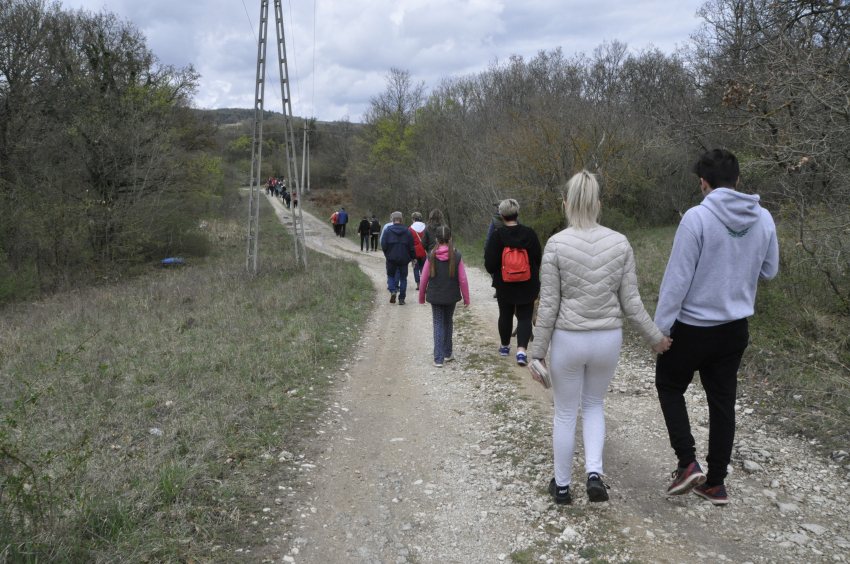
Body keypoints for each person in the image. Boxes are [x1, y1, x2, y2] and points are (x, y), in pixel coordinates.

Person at [529, 170, 669, 506]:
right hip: (607, 339)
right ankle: (594, 474)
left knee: (565, 413)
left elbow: (547, 306)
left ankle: (562, 487)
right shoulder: (619, 242)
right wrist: (656, 338)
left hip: (568, 339)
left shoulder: (556, 244)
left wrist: (537, 352)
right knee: (593, 406)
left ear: (566, 205)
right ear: (598, 204)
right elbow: (632, 305)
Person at [654, 149, 779, 506]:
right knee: (723, 403)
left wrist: (660, 330)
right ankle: (716, 484)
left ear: (704, 184)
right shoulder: (764, 218)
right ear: (738, 181)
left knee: (669, 384)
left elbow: (676, 281)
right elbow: (769, 270)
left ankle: (687, 463)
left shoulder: (697, 218)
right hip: (734, 329)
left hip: (692, 328)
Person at [484, 199, 542, 367]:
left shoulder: (497, 235)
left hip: (505, 283)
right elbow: (538, 257)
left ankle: (504, 346)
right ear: (518, 214)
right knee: (524, 317)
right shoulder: (529, 233)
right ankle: (522, 352)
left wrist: (499, 275)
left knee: (506, 314)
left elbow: (489, 264)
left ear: (501, 216)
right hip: (528, 283)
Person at [419, 226, 470, 367]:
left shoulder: (431, 257)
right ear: (450, 239)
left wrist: (421, 296)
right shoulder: (457, 257)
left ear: (436, 240)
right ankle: (447, 353)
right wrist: (466, 298)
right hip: (451, 295)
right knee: (448, 322)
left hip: (435, 296)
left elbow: (423, 279)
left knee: (438, 323)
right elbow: (463, 280)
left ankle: (438, 358)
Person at [381, 211, 416, 305]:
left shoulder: (387, 230)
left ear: (392, 219)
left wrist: (387, 254)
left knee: (391, 275)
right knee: (403, 278)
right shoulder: (407, 231)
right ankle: (401, 298)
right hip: (404, 259)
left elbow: (383, 245)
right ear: (402, 220)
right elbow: (412, 247)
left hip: (391, 258)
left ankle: (393, 290)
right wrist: (413, 257)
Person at [409, 212, 428, 290]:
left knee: (416, 268)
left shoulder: (410, 229)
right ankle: (424, 284)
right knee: (423, 268)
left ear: (414, 219)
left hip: (415, 252)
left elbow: (409, 241)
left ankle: (418, 284)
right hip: (424, 251)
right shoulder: (426, 228)